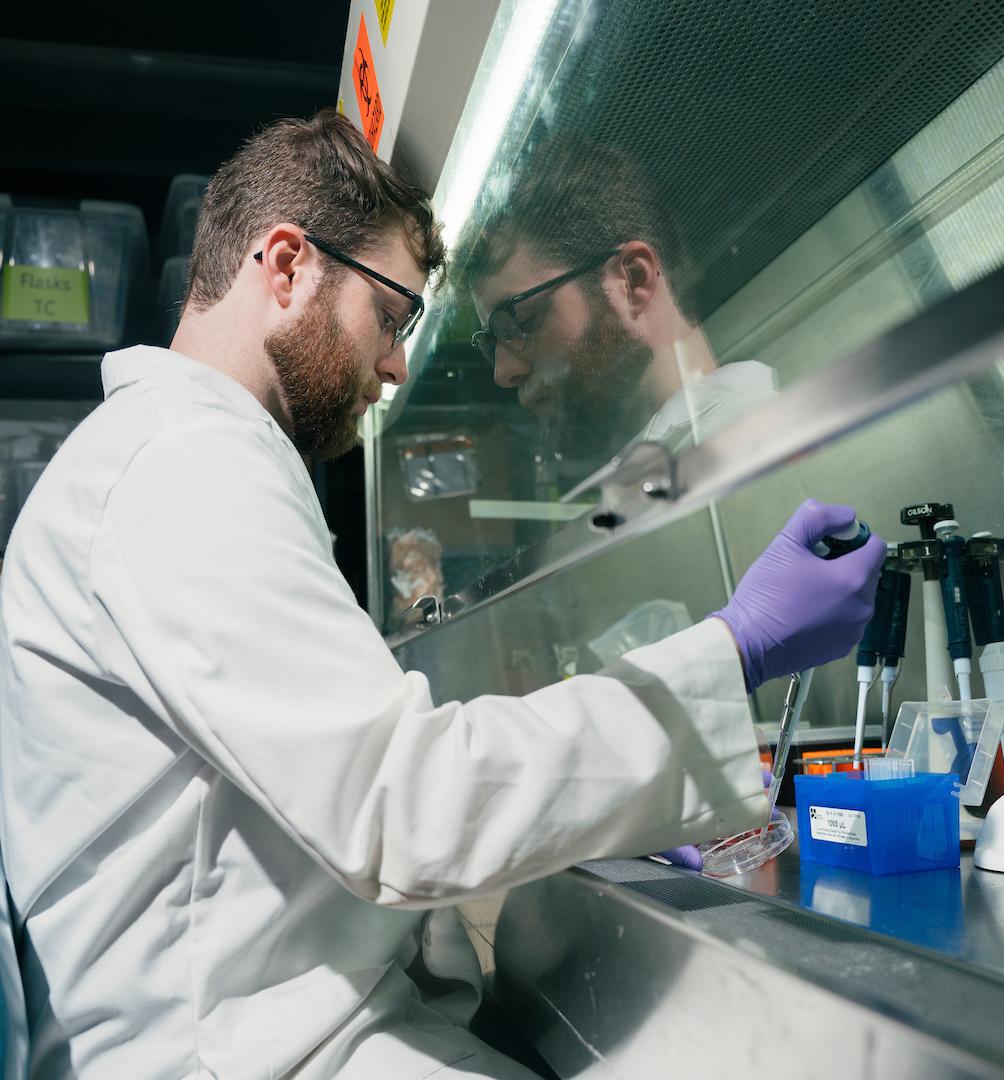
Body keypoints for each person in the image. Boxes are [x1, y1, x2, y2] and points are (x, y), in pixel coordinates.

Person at [0, 110, 884, 1079]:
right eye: (392, 315)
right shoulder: (181, 462)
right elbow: (402, 803)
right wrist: (735, 649)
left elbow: (343, 783)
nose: (396, 365)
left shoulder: (184, 457)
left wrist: (635, 797)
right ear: (287, 265)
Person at [460, 137, 779, 471]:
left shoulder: (755, 446)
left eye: (523, 321)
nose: (503, 373)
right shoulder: (665, 467)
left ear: (634, 280)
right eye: (493, 342)